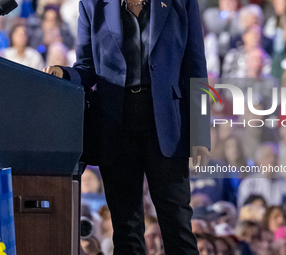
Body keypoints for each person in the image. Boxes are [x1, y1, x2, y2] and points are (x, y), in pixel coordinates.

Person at [43, 0, 210, 254]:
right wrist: (64, 74)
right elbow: (87, 67)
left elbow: (195, 67)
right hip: (115, 126)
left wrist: (200, 131)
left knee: (177, 228)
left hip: (166, 127)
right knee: (126, 230)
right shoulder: (92, 5)